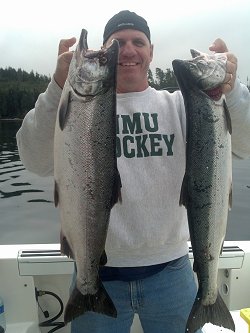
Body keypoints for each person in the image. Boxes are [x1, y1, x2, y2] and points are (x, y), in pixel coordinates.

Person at [16, 10, 250, 333]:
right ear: (106, 51)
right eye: (118, 42)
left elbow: (246, 144)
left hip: (173, 274)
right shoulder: (76, 108)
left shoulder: (182, 105)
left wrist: (233, 88)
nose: (128, 50)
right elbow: (32, 158)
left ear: (151, 51)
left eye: (138, 42)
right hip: (97, 273)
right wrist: (58, 86)